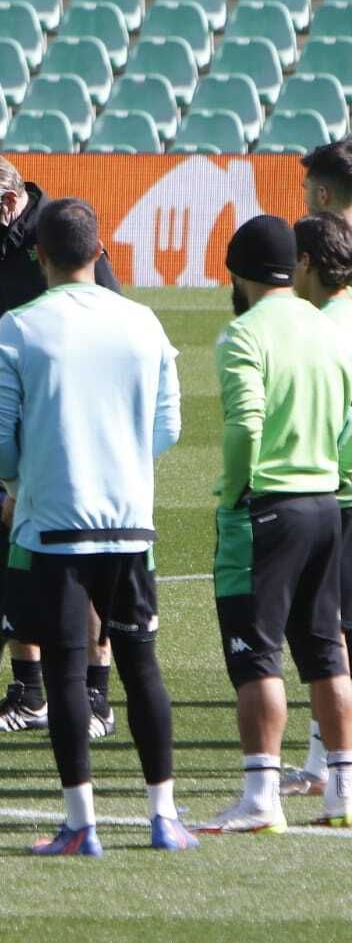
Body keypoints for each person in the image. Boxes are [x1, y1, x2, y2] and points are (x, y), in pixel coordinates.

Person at [0, 199, 199, 855]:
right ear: (100, 253)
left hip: (52, 531)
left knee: (67, 673)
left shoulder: (18, 327)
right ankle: (164, 816)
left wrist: (23, 486)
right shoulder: (144, 322)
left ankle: (82, 823)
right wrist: (124, 466)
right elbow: (168, 428)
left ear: (38, 256)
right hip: (130, 528)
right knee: (142, 668)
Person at [0, 152, 120, 737]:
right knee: (17, 562)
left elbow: (110, 324)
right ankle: (30, 693)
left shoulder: (65, 236)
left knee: (85, 559)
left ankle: (96, 699)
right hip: (1, 424)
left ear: (10, 199)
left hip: (65, 432)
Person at [197, 214, 352, 833]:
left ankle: (261, 797)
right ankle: (342, 790)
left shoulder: (243, 335)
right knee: (325, 652)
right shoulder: (330, 328)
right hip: (325, 503)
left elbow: (244, 426)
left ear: (238, 273)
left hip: (268, 507)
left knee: (255, 654)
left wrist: (236, 490)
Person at [284, 139, 352, 797]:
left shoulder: (324, 316)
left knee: (329, 633)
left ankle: (331, 768)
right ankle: (320, 759)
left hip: (334, 485)